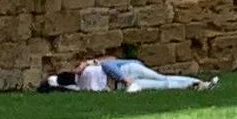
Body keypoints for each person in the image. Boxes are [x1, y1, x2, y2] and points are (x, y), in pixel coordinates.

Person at [44, 52, 212, 92]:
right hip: (122, 82)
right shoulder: (81, 86)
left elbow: (108, 65)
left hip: (127, 72)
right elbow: (55, 83)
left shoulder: (87, 71)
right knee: (162, 84)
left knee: (160, 78)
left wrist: (124, 79)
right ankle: (197, 84)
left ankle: (196, 81)